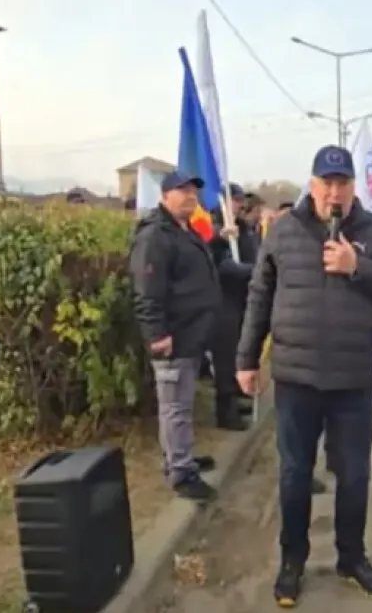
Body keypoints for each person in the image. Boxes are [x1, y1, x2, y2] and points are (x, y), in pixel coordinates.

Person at [235, 145, 372, 607]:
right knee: (295, 474)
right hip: (296, 382)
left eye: (342, 183)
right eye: (326, 183)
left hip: (352, 382)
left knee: (354, 475)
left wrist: (358, 267)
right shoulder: (284, 231)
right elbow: (259, 295)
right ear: (312, 185)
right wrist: (246, 359)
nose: (335, 193)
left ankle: (351, 558)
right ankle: (292, 560)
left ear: (353, 186)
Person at [131, 171, 225, 500]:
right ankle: (181, 472)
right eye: (182, 190)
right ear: (165, 195)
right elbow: (147, 291)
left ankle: (179, 456)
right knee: (175, 407)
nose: (190, 196)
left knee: (181, 404)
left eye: (193, 190)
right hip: (174, 336)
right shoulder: (155, 236)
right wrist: (157, 334)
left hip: (193, 333)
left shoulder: (184, 230)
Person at [208, 185, 259, 431]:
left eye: (239, 201)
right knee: (225, 357)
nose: (239, 205)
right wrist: (255, 272)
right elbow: (222, 266)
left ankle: (236, 399)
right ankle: (225, 411)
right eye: (235, 201)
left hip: (239, 299)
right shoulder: (215, 228)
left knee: (237, 352)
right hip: (222, 301)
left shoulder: (242, 227)